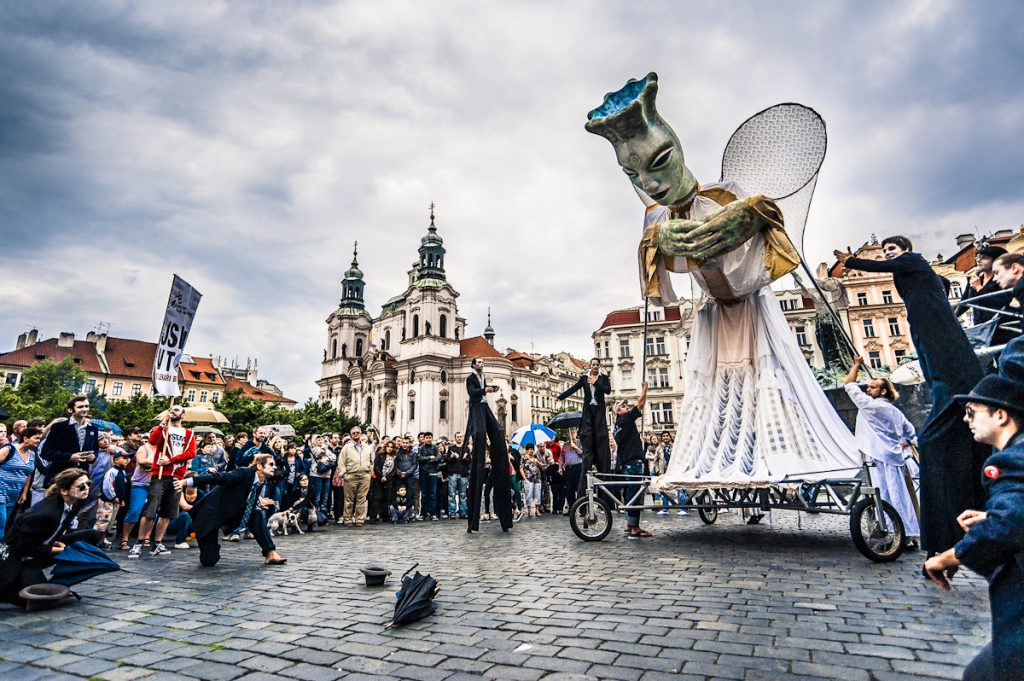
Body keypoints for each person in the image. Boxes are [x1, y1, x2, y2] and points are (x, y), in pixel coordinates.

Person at [585, 73, 860, 498]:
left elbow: (773, 239)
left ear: (677, 150)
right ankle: (717, 462)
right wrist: (657, 243)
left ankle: (780, 460)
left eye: (658, 163)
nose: (651, 184)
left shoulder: (724, 194)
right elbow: (655, 284)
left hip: (750, 304)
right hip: (714, 313)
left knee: (768, 378)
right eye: (634, 176)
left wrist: (752, 216)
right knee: (711, 388)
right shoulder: (655, 219)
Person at [839, 236, 988, 555]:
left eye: (892, 250)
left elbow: (884, 265)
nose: (890, 254)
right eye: (888, 250)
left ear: (903, 251)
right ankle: (916, 531)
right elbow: (942, 284)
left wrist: (850, 261)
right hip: (929, 337)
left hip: (891, 452)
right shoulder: (915, 272)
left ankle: (915, 531)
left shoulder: (912, 260)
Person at [924, 370, 1024, 681]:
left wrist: (948, 557)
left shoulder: (1009, 461)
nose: (966, 420)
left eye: (972, 412)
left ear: (1001, 415)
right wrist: (990, 517)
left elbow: (1008, 525)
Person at [843, 357, 920, 547]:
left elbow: (849, 385)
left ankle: (894, 533)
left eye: (872, 387)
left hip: (877, 458)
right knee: (899, 497)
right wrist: (905, 443)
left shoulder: (871, 406)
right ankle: (908, 533)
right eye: (868, 386)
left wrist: (857, 364)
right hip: (895, 458)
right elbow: (911, 433)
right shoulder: (896, 412)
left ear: (883, 391)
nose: (867, 390)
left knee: (883, 496)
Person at [0, 469, 104, 608]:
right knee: (39, 600)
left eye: (88, 484)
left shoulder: (74, 501)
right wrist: (53, 549)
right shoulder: (45, 514)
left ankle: (65, 571)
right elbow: (22, 547)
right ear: (64, 491)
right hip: (17, 557)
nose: (86, 489)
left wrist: (57, 541)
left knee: (92, 535)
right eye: (81, 486)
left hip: (41, 545)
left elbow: (57, 529)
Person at [173, 453, 286, 567]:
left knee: (256, 514)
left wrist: (259, 502)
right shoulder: (243, 473)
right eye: (271, 464)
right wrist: (185, 482)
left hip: (230, 515)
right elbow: (216, 477)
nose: (275, 467)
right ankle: (211, 547)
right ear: (259, 466)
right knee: (209, 560)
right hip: (210, 515)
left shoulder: (261, 481)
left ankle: (270, 553)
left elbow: (244, 496)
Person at [136, 405, 196, 557]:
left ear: (183, 414)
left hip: (177, 476)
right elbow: (153, 440)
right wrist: (163, 421)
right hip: (160, 475)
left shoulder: (188, 433)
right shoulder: (163, 429)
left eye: (177, 410)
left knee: (168, 512)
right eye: (171, 409)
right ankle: (139, 542)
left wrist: (170, 460)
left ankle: (157, 542)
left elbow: (191, 452)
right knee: (150, 509)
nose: (173, 411)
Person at [465, 358, 513, 532]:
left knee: (499, 435)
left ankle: (505, 516)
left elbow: (482, 392)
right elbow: (472, 392)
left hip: (485, 406)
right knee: (479, 434)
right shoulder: (470, 377)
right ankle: (473, 521)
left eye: (482, 361)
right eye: (479, 361)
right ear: (473, 365)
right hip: (476, 407)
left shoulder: (483, 375)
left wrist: (491, 390)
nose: (482, 363)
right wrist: (483, 390)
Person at [558, 358, 612, 495]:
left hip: (599, 409)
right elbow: (574, 389)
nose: (595, 367)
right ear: (590, 366)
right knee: (587, 429)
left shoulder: (603, 378)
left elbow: (608, 391)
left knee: (600, 432)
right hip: (588, 409)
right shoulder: (584, 378)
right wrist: (561, 397)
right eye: (593, 365)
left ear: (599, 366)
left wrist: (596, 383)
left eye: (597, 365)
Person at [613, 381, 652, 538]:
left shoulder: (618, 425)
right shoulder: (626, 419)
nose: (626, 407)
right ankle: (634, 527)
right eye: (623, 406)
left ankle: (630, 524)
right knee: (635, 494)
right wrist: (645, 389)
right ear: (618, 411)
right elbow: (640, 404)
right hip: (633, 461)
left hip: (627, 462)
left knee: (631, 493)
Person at [38, 395, 98, 485]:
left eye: (86, 406)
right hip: (60, 477)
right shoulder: (59, 427)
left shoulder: (93, 429)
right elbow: (46, 452)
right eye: (80, 407)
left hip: (81, 479)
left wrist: (93, 457)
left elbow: (95, 449)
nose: (85, 409)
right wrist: (69, 457)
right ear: (70, 410)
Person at [0, 426, 41, 540]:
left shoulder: (32, 454)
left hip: (13, 493)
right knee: (1, 523)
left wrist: (24, 492)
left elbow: (28, 474)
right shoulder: (9, 449)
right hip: (1, 490)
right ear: (26, 438)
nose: (39, 441)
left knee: (6, 521)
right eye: (36, 438)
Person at [956, 245, 1007, 325]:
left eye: (984, 258)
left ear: (996, 261)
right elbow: (964, 303)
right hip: (981, 328)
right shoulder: (975, 279)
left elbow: (1000, 301)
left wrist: (978, 287)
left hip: (1002, 327)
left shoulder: (1004, 279)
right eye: (978, 257)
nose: (978, 260)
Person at [94, 448, 133, 550]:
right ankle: (94, 541)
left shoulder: (122, 472)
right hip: (107, 501)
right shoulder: (112, 472)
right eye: (124, 458)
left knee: (110, 522)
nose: (127, 460)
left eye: (128, 458)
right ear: (116, 460)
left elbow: (121, 486)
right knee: (103, 521)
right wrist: (113, 497)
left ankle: (101, 541)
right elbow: (107, 486)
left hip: (116, 501)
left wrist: (121, 498)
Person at [338, 425, 373, 526]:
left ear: (360, 434)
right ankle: (348, 519)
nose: (356, 434)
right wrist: (344, 473)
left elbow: (371, 460)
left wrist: (369, 471)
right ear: (351, 435)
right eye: (354, 433)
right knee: (349, 500)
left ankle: (359, 519)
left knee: (361, 499)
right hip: (351, 476)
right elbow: (341, 461)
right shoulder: (346, 447)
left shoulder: (366, 447)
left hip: (364, 476)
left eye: (357, 433)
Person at [417, 432, 441, 521]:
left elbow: (438, 457)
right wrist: (429, 457)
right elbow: (419, 458)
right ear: (424, 439)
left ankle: (433, 513)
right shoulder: (421, 448)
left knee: (432, 494)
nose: (428, 439)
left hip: (433, 472)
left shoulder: (435, 447)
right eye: (426, 437)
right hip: (423, 473)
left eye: (430, 437)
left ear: (432, 438)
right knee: (424, 495)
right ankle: (423, 513)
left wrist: (431, 460)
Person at [446, 433, 470, 519]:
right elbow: (447, 460)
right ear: (455, 438)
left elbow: (469, 461)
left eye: (460, 437)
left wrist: (464, 458)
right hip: (453, 473)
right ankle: (452, 512)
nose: (459, 438)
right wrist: (452, 457)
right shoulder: (451, 448)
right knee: (451, 494)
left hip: (463, 473)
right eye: (458, 437)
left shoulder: (466, 448)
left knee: (463, 494)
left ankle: (463, 512)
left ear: (463, 438)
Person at [560, 429, 583, 511]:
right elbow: (562, 457)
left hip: (578, 467)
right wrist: (560, 467)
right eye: (570, 433)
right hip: (569, 468)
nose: (572, 435)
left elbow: (583, 455)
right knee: (569, 490)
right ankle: (572, 509)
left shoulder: (580, 442)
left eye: (573, 433)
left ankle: (581, 508)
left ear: (576, 433)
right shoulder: (565, 445)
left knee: (579, 488)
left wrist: (575, 447)